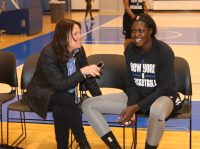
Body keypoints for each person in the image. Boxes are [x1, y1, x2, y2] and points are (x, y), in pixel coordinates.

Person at [82, 14, 182, 149]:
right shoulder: (130, 49)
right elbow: (131, 84)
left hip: (163, 98)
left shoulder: (164, 51)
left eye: (141, 31)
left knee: (157, 111)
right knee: (88, 105)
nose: (136, 35)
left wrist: (135, 107)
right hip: (138, 97)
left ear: (151, 31)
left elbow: (164, 88)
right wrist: (132, 105)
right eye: (133, 31)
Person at [23, 19, 102, 149]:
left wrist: (99, 99)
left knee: (61, 106)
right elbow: (59, 84)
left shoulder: (79, 49)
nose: (80, 36)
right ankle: (83, 143)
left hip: (62, 96)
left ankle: (63, 146)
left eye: (80, 32)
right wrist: (82, 72)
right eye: (75, 34)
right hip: (42, 93)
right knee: (64, 98)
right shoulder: (49, 53)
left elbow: (88, 78)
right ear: (64, 37)